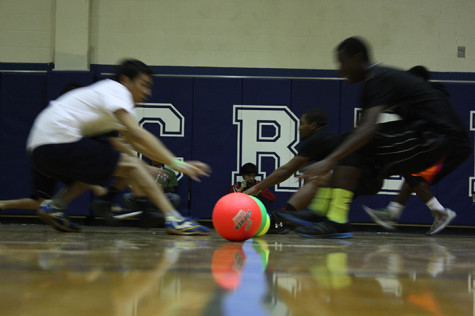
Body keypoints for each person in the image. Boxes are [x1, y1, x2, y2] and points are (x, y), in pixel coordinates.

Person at [293, 36, 471, 239]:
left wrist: (330, 160)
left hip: (439, 138)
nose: (339, 69)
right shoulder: (374, 83)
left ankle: (333, 218)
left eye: (342, 62)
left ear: (358, 58)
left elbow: (367, 130)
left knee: (353, 142)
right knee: (355, 151)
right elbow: (363, 129)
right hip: (432, 137)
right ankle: (327, 212)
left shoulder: (378, 78)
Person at [26, 59, 211, 235]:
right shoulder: (116, 90)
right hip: (57, 141)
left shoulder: (106, 99)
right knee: (130, 164)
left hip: (39, 151)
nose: (148, 92)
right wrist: (178, 165)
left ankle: (55, 206)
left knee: (94, 170)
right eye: (144, 84)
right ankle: (174, 219)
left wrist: (177, 163)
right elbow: (138, 134)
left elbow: (135, 142)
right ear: (125, 80)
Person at [363, 65, 468, 235]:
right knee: (411, 169)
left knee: (412, 170)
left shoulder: (429, 97)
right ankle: (393, 212)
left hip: (452, 145)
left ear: (418, 81)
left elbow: (417, 119)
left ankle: (440, 212)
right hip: (450, 144)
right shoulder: (425, 97)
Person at [244, 109, 342, 232]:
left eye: (302, 123)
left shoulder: (317, 140)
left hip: (355, 179)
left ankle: (285, 218)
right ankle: (305, 216)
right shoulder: (326, 138)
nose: (299, 128)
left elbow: (286, 170)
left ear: (313, 126)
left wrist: (255, 188)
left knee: (315, 179)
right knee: (316, 176)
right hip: (354, 179)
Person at [120, 160, 182, 226]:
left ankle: (156, 214)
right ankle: (145, 213)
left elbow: (171, 191)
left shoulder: (169, 173)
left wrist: (159, 191)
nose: (156, 160)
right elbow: (137, 187)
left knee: (175, 198)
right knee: (127, 196)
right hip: (144, 198)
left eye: (158, 158)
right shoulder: (143, 171)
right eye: (154, 158)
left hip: (161, 199)